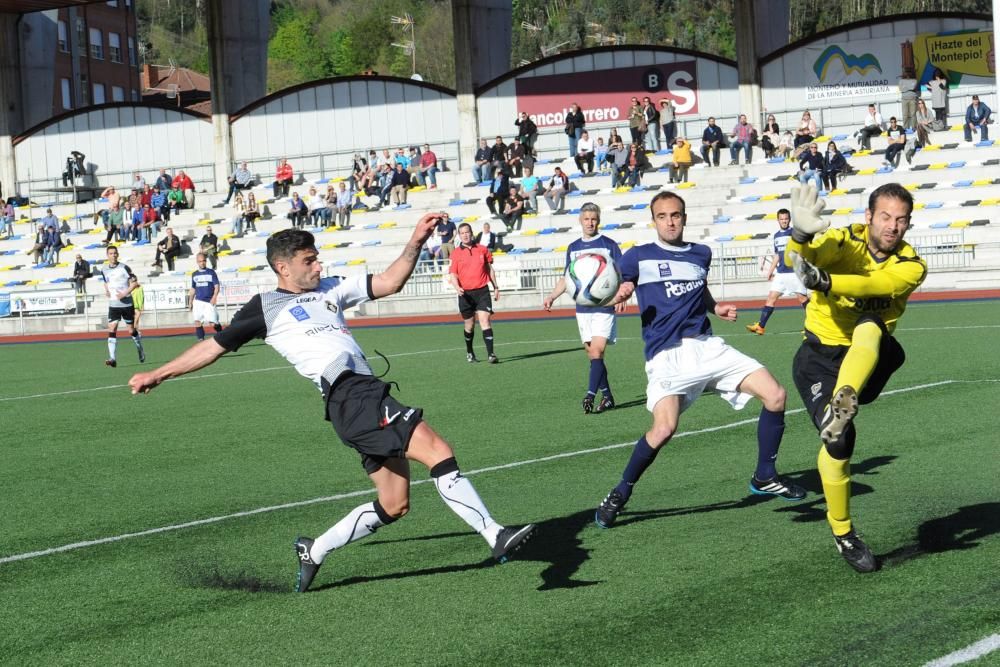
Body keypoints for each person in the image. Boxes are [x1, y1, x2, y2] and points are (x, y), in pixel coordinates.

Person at [127, 219, 536, 593]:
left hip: (358, 399)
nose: (319, 265)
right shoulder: (264, 308)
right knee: (439, 453)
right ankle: (495, 535)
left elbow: (389, 282)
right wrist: (158, 374)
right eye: (309, 260)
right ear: (283, 268)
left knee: (395, 504)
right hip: (351, 395)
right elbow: (213, 347)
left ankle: (315, 549)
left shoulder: (331, 290)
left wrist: (414, 242)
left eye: (318, 257)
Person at [593, 191, 806, 529]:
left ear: (685, 217)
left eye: (675, 215)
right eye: (662, 216)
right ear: (654, 221)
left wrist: (716, 306)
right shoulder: (639, 256)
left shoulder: (700, 254)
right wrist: (620, 292)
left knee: (776, 395)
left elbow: (699, 289)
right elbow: (616, 282)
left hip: (708, 346)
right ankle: (620, 492)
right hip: (667, 355)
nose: (670, 221)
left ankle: (765, 474)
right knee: (664, 429)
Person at [783, 182, 927, 572]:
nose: (892, 226)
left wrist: (826, 282)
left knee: (872, 323)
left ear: (908, 224)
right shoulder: (845, 242)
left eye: (900, 220)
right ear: (868, 217)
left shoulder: (912, 264)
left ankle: (843, 397)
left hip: (875, 356)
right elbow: (800, 259)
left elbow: (874, 285)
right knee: (840, 442)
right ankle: (843, 532)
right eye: (885, 217)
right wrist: (799, 236)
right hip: (819, 358)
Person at [543, 203, 623, 413]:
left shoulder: (609, 245)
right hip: (582, 308)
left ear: (599, 220)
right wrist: (552, 295)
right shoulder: (573, 248)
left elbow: (622, 274)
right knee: (592, 354)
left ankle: (590, 395)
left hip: (605, 306)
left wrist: (623, 295)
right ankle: (607, 397)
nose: (590, 222)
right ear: (580, 220)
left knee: (597, 351)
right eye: (586, 219)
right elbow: (567, 278)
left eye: (593, 219)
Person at [746, 208, 809, 335]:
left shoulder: (794, 233)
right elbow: (777, 255)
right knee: (771, 297)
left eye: (786, 219)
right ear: (778, 220)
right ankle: (761, 326)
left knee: (802, 299)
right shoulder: (776, 236)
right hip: (781, 273)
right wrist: (770, 271)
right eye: (782, 219)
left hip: (794, 272)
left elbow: (803, 249)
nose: (784, 221)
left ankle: (814, 326)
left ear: (789, 219)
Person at [448, 222, 501, 364]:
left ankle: (491, 354)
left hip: (482, 291)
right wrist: (456, 287)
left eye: (467, 232)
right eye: (462, 233)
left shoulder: (482, 249)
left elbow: (490, 269)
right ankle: (470, 352)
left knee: (485, 321)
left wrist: (496, 287)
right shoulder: (455, 253)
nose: (465, 235)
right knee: (469, 326)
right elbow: (453, 274)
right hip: (465, 294)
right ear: (459, 235)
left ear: (471, 233)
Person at [102, 245, 145, 367]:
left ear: (118, 254)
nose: (113, 255)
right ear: (107, 255)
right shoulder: (104, 269)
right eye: (111, 253)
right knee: (112, 328)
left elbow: (135, 282)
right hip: (113, 304)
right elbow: (106, 282)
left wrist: (124, 293)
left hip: (126, 304)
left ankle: (140, 348)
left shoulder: (124, 268)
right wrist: (107, 290)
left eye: (115, 253)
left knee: (131, 330)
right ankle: (112, 358)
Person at [189, 252, 222, 341]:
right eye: (200, 261)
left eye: (204, 261)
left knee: (213, 324)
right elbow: (193, 289)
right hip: (198, 302)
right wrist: (190, 301)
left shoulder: (211, 272)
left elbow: (217, 286)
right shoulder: (194, 274)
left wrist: (214, 297)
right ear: (197, 262)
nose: (202, 263)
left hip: (209, 302)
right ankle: (201, 341)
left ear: (206, 261)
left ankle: (222, 335)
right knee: (197, 322)